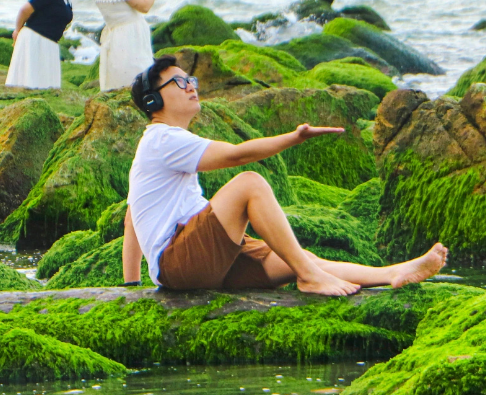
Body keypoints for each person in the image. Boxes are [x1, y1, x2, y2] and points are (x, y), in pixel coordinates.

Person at [121, 56, 449, 296]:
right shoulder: (163, 138)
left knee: (296, 257)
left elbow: (133, 212)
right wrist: (294, 137)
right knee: (249, 183)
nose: (191, 86)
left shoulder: (156, 146)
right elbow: (238, 155)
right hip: (182, 260)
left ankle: (393, 273)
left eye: (190, 80)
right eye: (180, 82)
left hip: (202, 261)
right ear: (154, 100)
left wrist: (132, 286)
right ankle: (309, 277)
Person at [94, 0, 166, 91]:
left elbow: (130, 4)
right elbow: (145, 6)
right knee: (138, 80)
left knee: (120, 81)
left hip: (115, 37)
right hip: (130, 37)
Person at [6, 0, 80, 89]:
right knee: (31, 85)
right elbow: (25, 10)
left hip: (49, 44)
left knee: (47, 88)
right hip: (35, 40)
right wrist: (17, 31)